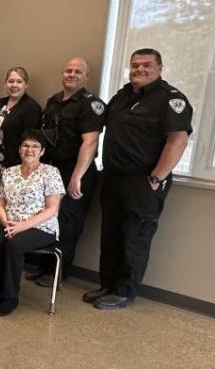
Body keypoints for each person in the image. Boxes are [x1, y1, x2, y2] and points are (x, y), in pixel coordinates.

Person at [86, 48, 192, 310]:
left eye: (146, 65)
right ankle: (107, 284)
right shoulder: (123, 96)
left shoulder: (170, 100)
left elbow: (178, 140)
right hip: (113, 177)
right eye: (135, 66)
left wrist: (157, 178)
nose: (139, 70)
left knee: (135, 237)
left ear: (159, 68)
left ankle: (124, 291)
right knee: (110, 235)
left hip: (144, 181)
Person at [28, 57, 104, 287]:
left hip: (75, 170)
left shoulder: (91, 104)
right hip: (52, 169)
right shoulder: (54, 101)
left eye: (77, 72)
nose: (71, 75)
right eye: (68, 71)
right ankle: (45, 267)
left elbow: (90, 143)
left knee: (69, 222)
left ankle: (58, 273)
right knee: (48, 217)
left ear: (86, 77)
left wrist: (77, 177)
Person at [0, 131, 65, 316]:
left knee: (14, 244)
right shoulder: (9, 172)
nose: (30, 150)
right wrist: (4, 221)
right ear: (19, 149)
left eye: (35, 146)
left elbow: (52, 209)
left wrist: (21, 226)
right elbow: (0, 202)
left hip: (41, 227)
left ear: (42, 151)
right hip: (9, 223)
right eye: (26, 145)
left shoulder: (51, 172)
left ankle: (10, 297)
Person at [0, 67, 43, 169]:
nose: (14, 85)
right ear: (5, 83)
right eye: (10, 81)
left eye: (19, 81)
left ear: (26, 85)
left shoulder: (31, 108)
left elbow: (30, 141)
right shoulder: (0, 103)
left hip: (15, 165)